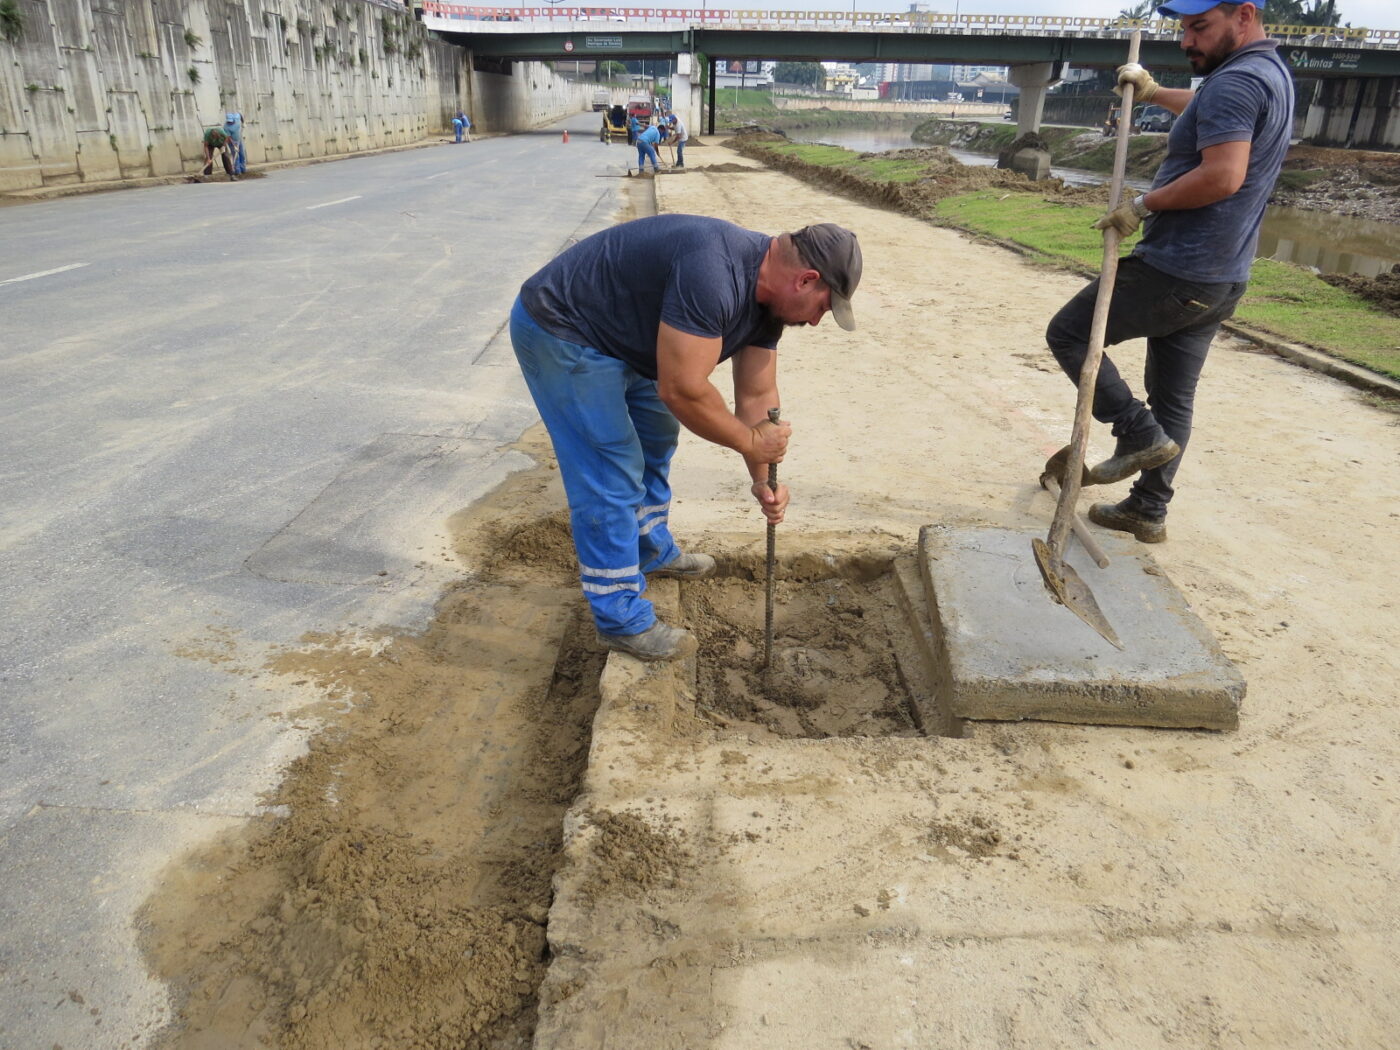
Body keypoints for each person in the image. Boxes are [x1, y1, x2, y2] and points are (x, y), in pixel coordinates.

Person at [509, 217, 862, 661]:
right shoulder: (715, 274)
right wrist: (751, 444)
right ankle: (619, 618)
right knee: (610, 469)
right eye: (822, 308)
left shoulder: (768, 303)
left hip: (629, 337)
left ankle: (650, 549)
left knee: (657, 435)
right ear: (806, 280)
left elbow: (756, 396)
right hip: (566, 329)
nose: (814, 322)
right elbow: (681, 388)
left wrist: (761, 478)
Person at [1043, 0, 1292, 544]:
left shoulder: (1236, 82)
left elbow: (1223, 176)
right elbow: (1210, 110)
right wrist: (1154, 94)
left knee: (1069, 333)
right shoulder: (1267, 72)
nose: (1187, 41)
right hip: (1222, 278)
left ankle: (1135, 434)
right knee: (1174, 400)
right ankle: (1147, 509)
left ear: (1244, 15)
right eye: (1183, 28)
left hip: (1179, 268)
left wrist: (1143, 205)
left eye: (1200, 27)